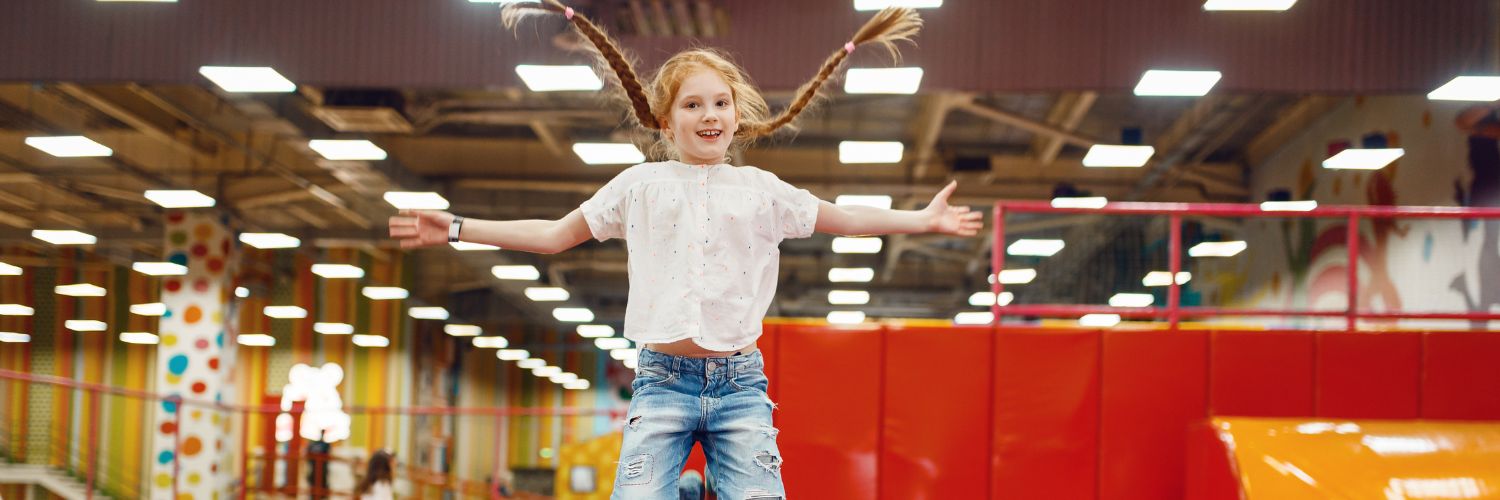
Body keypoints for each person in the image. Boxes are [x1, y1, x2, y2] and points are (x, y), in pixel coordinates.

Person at [389, 2, 981, 497]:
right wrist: (459, 227)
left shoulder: (761, 191)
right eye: (692, 105)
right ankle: (688, 491)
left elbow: (846, 219)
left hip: (740, 384)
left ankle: (699, 491)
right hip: (662, 381)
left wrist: (924, 221)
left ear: (738, 115)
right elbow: (554, 234)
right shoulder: (638, 186)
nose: (710, 115)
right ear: (665, 119)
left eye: (721, 103)